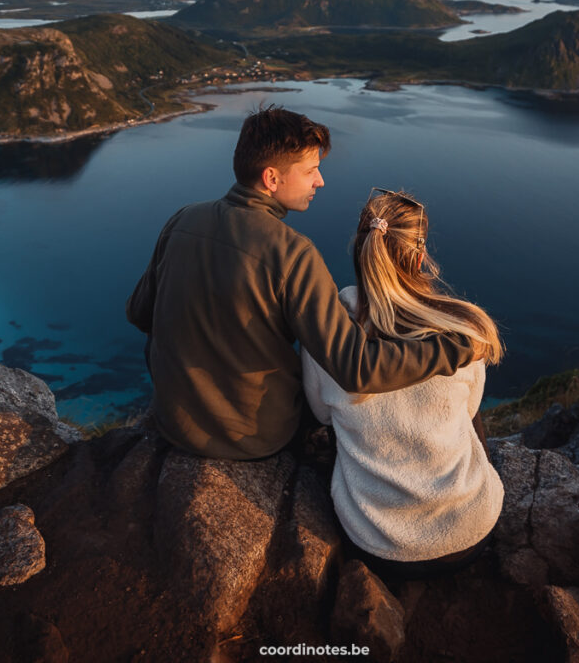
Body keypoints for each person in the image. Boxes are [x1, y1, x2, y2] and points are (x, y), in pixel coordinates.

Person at [126, 106, 478, 461]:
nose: (320, 181)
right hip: (252, 438)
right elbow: (357, 369)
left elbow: (140, 314)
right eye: (310, 170)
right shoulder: (293, 253)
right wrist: (458, 348)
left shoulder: (182, 220)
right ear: (271, 179)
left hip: (174, 423)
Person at [301, 188, 505, 581]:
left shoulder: (329, 340)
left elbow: (320, 414)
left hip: (377, 541)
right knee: (468, 420)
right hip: (470, 534)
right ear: (419, 255)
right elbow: (472, 408)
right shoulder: (464, 329)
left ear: (360, 248)